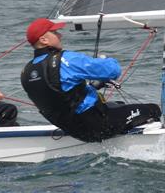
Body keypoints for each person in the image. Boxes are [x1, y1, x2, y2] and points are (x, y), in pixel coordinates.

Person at [20, 18, 161, 142]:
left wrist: (94, 86)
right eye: (55, 33)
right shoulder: (66, 59)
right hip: (97, 127)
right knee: (152, 109)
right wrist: (105, 60)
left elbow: (61, 96)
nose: (60, 35)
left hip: (72, 129)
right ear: (44, 40)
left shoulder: (26, 71)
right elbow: (114, 71)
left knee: (117, 104)